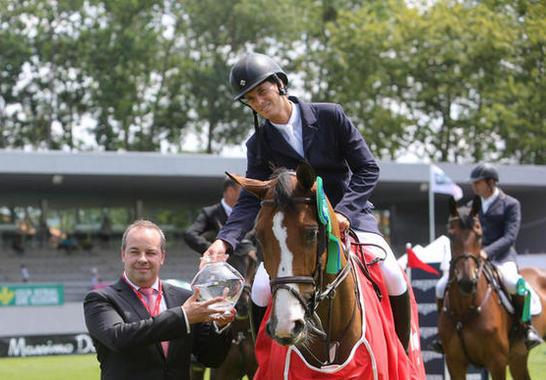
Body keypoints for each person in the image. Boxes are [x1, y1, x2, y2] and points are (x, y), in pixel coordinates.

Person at [202, 52, 412, 352]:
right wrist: (224, 241)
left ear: (280, 84)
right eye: (250, 99)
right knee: (261, 289)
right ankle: (266, 359)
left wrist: (344, 213)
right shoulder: (258, 144)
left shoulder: (330, 116)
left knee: (392, 274)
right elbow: (251, 199)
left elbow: (368, 169)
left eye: (262, 92)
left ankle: (400, 351)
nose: (259, 102)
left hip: (348, 216)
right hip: (296, 230)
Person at [84, 220, 234, 380]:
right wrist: (182, 317)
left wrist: (220, 325)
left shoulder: (185, 298)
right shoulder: (100, 299)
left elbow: (212, 359)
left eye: (150, 252)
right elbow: (118, 338)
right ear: (123, 255)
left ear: (162, 256)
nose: (142, 259)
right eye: (134, 252)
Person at [433, 163, 543, 351]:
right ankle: (443, 333)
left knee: (513, 282)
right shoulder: (470, 207)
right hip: (475, 259)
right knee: (441, 285)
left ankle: (526, 328)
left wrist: (486, 252)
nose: (474, 186)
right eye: (474, 183)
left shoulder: (510, 204)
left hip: (502, 258)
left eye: (478, 182)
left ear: (491, 182)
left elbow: (510, 237)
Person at [185, 178, 257, 277]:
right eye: (243, 191)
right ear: (231, 191)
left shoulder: (250, 214)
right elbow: (190, 234)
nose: (247, 196)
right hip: (217, 273)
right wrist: (213, 249)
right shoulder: (210, 213)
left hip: (248, 273)